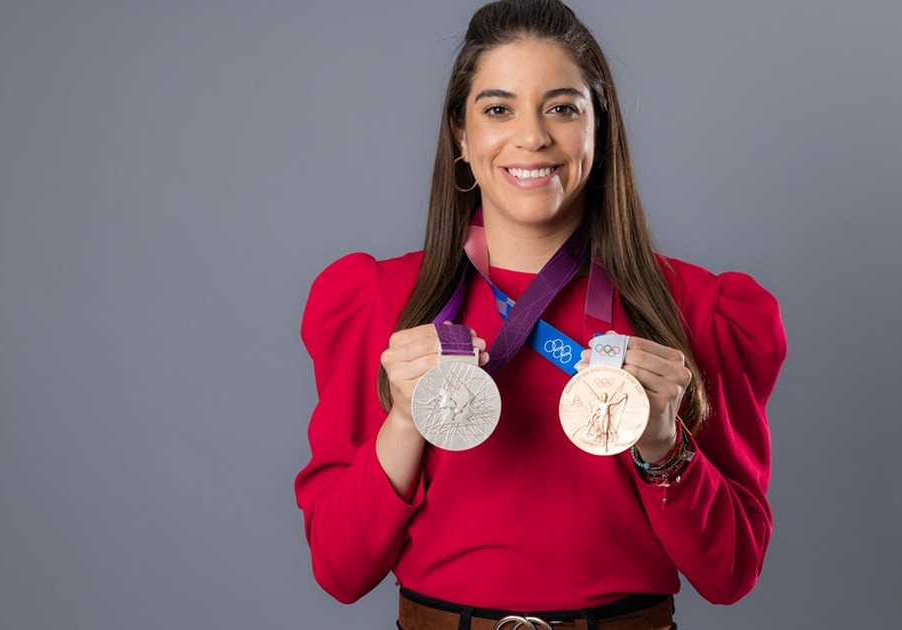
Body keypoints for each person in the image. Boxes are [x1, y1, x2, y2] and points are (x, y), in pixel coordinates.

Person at [293, 1, 787, 628]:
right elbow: (340, 571)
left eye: (562, 107)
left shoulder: (700, 310)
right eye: (498, 109)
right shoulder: (376, 302)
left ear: (599, 131)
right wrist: (404, 422)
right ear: (461, 136)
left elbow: (731, 574)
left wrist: (663, 442)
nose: (532, 136)